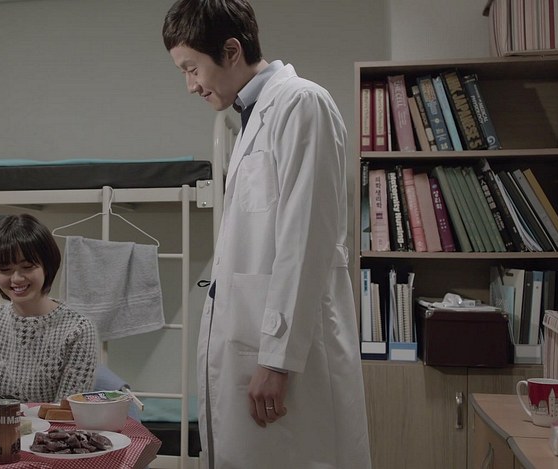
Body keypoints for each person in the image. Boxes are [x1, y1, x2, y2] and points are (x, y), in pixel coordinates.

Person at [162, 1, 371, 468]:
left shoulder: (302, 103)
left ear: (231, 50)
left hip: (285, 359)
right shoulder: (249, 119)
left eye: (192, 68)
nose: (190, 85)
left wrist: (277, 359)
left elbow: (305, 243)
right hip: (252, 346)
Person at [0, 213, 98, 403]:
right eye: (5, 270)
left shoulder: (78, 329)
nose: (16, 278)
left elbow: (66, 411)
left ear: (47, 266)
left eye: (27, 266)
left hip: (52, 424)